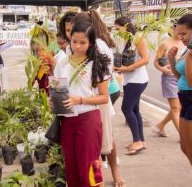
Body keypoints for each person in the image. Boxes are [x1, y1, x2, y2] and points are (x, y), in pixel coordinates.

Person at [53, 20, 111, 187]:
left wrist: (80, 100)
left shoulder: (97, 64)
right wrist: (53, 101)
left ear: (91, 43)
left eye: (83, 42)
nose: (77, 46)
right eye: (74, 41)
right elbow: (57, 90)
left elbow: (104, 97)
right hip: (67, 120)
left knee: (89, 169)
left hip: (88, 120)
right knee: (71, 169)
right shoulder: (62, 62)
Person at [72, 11, 124, 187]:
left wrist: (84, 98)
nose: (76, 43)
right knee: (99, 145)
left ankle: (101, 180)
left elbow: (104, 84)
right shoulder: (78, 47)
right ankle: (99, 178)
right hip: (86, 103)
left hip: (97, 101)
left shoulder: (99, 48)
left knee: (100, 145)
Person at [114, 16, 149, 155]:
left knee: (126, 108)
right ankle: (141, 140)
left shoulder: (137, 39)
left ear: (126, 26)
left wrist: (127, 69)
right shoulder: (123, 41)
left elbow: (146, 59)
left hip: (138, 80)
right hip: (128, 80)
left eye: (118, 29)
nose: (116, 31)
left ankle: (137, 142)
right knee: (134, 110)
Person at [168, 14, 192, 165]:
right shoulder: (186, 50)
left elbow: (191, 82)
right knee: (185, 147)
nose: (181, 38)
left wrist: (189, 56)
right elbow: (179, 76)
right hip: (185, 99)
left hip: (191, 98)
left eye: (184, 34)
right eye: (179, 34)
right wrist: (172, 60)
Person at [153, 30, 185, 136]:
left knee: (179, 107)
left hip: (183, 78)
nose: (180, 32)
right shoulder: (165, 44)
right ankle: (184, 136)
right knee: (176, 108)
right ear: (172, 29)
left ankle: (161, 125)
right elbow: (156, 62)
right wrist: (162, 69)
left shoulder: (185, 42)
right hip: (169, 79)